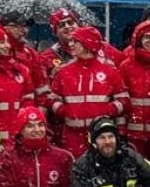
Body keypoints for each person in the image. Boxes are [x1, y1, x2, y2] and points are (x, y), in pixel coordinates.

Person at [48, 25, 129, 157]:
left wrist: (106, 110)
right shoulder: (64, 71)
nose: (71, 44)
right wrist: (63, 110)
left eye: (76, 41)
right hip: (72, 136)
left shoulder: (109, 70)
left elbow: (124, 100)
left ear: (87, 44)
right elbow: (51, 99)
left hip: (101, 135)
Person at [120, 19, 150, 162]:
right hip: (133, 134)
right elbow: (121, 98)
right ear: (139, 40)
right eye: (147, 37)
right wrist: (121, 129)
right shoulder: (126, 66)